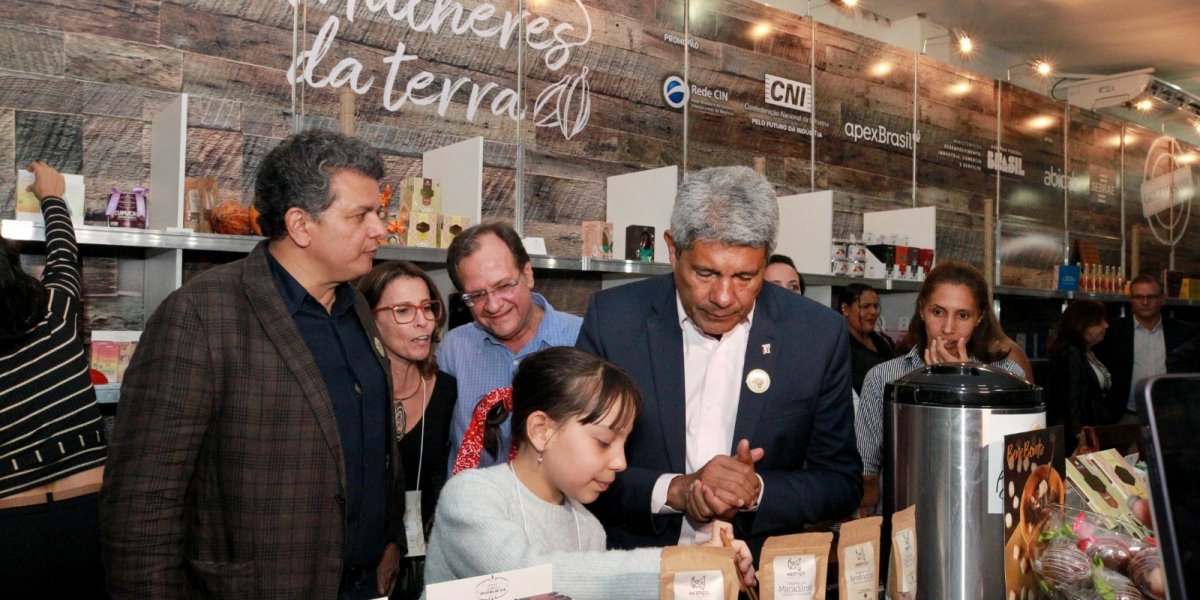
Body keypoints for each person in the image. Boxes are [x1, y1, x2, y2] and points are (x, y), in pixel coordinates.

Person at [100, 130, 405, 599]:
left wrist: (388, 543)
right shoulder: (200, 316)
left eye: (379, 213)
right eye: (361, 215)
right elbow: (144, 506)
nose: (380, 229)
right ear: (301, 225)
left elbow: (371, 450)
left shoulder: (358, 309)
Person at [576, 165, 863, 559]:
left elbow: (841, 482)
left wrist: (755, 492)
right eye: (706, 273)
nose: (724, 297)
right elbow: (574, 466)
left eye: (746, 277)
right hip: (636, 572)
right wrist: (675, 490)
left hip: (759, 575)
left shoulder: (816, 336)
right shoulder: (614, 321)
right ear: (673, 249)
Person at [424, 347, 755, 598]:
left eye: (625, 444)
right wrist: (685, 563)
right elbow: (523, 575)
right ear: (541, 430)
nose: (621, 462)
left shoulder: (588, 527)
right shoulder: (471, 496)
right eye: (604, 442)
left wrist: (713, 573)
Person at [0, 161, 107, 598]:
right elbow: (65, 256)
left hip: (13, 533)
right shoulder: (55, 312)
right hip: (96, 517)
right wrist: (52, 196)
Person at [855, 261, 1025, 514]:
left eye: (963, 315)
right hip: (903, 520)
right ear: (922, 309)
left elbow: (1015, 468)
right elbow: (865, 470)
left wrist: (965, 381)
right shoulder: (884, 377)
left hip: (982, 520)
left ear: (979, 317)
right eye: (938, 312)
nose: (948, 329)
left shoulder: (1009, 378)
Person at [438, 223, 582, 473]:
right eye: (477, 295)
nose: (493, 305)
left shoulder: (582, 339)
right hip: (471, 507)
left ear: (528, 273)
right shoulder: (454, 349)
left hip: (560, 509)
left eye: (504, 286)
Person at [357, 261, 457, 599]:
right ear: (369, 318)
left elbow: (440, 480)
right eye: (403, 310)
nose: (423, 321)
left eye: (428, 307)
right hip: (352, 563)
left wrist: (399, 545)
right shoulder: (351, 392)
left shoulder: (446, 391)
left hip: (422, 562)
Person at [1093, 275, 1195, 424]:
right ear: (1131, 299)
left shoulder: (1183, 332)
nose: (1145, 302)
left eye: (1151, 297)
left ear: (1163, 299)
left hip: (1172, 416)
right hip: (1126, 416)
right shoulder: (1112, 332)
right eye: (1138, 297)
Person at [1045, 300, 1113, 450]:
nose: (1106, 326)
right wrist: (1078, 436)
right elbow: (1071, 398)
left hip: (1091, 429)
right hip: (1076, 437)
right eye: (1100, 322)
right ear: (1083, 325)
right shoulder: (1070, 353)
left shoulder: (1086, 352)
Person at [838, 283, 897, 395]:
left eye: (875, 306)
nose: (874, 312)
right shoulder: (839, 348)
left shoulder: (884, 341)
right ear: (845, 309)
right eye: (865, 306)